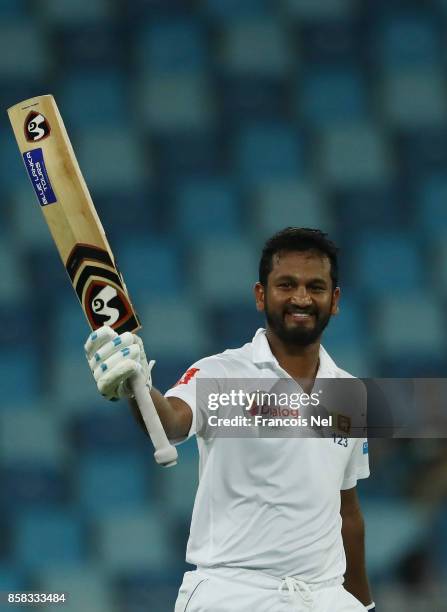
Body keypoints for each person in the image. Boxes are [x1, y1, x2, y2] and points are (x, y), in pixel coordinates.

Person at [85, 227, 375, 611]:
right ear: (261, 295)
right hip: (235, 594)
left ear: (334, 300)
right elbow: (171, 421)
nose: (301, 298)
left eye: (315, 287)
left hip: (324, 597)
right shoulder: (222, 373)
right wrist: (134, 384)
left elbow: (347, 513)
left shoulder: (350, 393)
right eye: (286, 285)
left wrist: (364, 605)